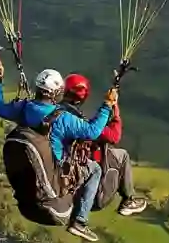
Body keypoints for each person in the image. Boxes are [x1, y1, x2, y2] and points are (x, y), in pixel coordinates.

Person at [0, 52, 117, 241]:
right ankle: (80, 222)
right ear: (57, 93)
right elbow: (93, 131)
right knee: (95, 169)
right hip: (56, 204)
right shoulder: (63, 119)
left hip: (27, 204)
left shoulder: (22, 108)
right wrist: (107, 105)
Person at [62, 73, 148, 216]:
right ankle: (129, 199)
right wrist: (114, 108)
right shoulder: (83, 126)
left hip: (68, 182)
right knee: (122, 155)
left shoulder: (58, 115)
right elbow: (114, 136)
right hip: (93, 191)